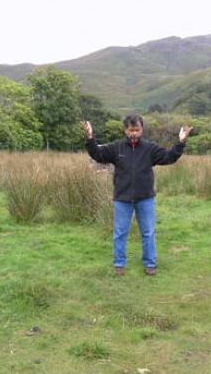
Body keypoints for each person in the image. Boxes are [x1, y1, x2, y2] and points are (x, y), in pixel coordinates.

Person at [82, 115, 192, 276]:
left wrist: (181, 142)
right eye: (130, 130)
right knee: (120, 233)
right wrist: (90, 137)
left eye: (137, 130)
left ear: (142, 130)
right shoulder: (116, 148)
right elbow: (97, 154)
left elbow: (169, 157)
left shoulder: (150, 149)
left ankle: (150, 264)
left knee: (148, 232)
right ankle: (119, 264)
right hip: (122, 199)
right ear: (125, 130)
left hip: (145, 198)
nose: (133, 133)